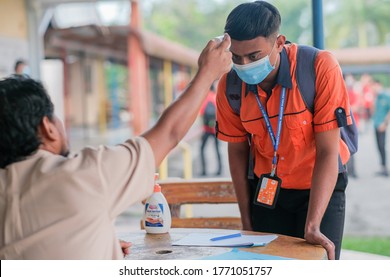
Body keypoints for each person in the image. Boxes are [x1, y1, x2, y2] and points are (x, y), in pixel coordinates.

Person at [0, 35, 232, 259]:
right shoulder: (83, 174)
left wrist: (97, 244)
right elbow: (169, 133)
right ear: (47, 127)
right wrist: (207, 73)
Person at [215, 1, 352, 260]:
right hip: (268, 193)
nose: (244, 65)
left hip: (319, 189)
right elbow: (237, 151)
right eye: (236, 57)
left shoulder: (319, 67)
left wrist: (312, 225)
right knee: (269, 267)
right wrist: (246, 220)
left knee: (318, 266)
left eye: (254, 56)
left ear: (279, 43)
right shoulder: (229, 85)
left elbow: (327, 151)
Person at [199, 83, 222, 176]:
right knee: (217, 149)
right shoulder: (216, 97)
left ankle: (204, 170)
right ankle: (219, 170)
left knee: (202, 149)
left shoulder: (205, 98)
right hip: (216, 129)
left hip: (206, 129)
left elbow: (201, 112)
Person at [372, 81, 390, 177]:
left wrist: (385, 123)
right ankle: (382, 166)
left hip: (382, 126)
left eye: (375, 86)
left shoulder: (386, 96)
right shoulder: (376, 98)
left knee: (382, 146)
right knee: (379, 146)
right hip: (376, 124)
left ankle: (385, 168)